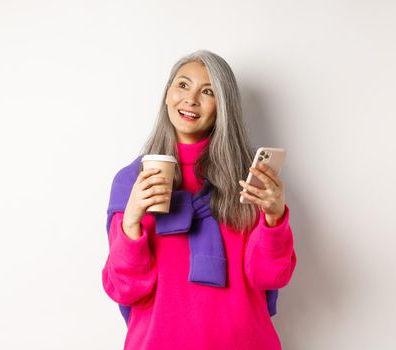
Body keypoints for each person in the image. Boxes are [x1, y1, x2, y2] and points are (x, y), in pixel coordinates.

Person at [102, 50, 297, 350]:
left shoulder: (249, 180)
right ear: (167, 94)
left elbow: (268, 276)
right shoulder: (132, 181)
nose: (191, 99)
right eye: (182, 85)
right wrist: (132, 220)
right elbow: (125, 289)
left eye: (207, 91)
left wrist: (273, 217)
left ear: (223, 107)